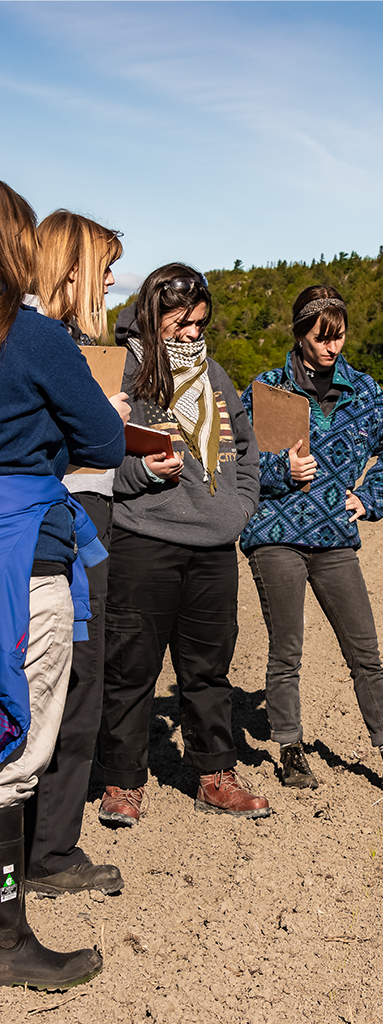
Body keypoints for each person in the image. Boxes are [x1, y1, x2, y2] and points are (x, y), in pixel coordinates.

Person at [0, 180, 128, 988]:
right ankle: (8, 935)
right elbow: (106, 440)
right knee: (14, 751)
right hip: (26, 559)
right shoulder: (33, 337)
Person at [96, 264, 269, 825]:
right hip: (144, 542)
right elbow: (92, 459)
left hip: (214, 546)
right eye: (181, 322)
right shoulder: (122, 374)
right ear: (152, 314)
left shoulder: (213, 375)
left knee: (209, 669)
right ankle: (122, 782)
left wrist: (239, 507)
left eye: (199, 323)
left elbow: (246, 449)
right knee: (131, 668)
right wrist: (142, 471)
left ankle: (214, 775)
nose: (193, 333)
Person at [239, 285, 383, 797]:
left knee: (365, 650)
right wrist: (283, 468)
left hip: (335, 537)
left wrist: (371, 497)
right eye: (322, 337)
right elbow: (237, 459)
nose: (332, 347)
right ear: (300, 333)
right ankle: (291, 749)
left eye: (339, 337)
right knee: (287, 650)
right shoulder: (266, 389)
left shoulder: (363, 391)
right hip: (275, 535)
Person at [22, 211, 126, 897]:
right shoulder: (44, 341)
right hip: (55, 531)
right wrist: (107, 416)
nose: (113, 281)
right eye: (106, 266)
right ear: (72, 270)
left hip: (39, 527)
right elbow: (100, 444)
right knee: (72, 684)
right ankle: (49, 854)